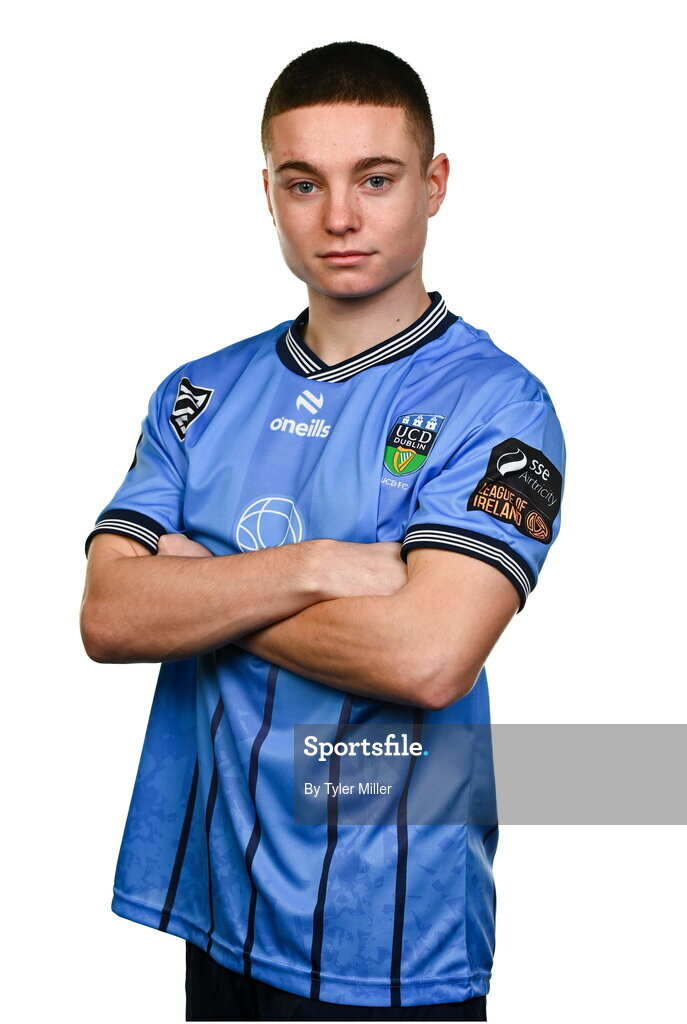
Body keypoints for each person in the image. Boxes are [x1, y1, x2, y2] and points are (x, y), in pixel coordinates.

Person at [80, 41, 565, 1022]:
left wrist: (203, 585)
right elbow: (107, 616)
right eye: (304, 182)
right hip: (218, 906)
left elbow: (428, 658)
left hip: (389, 939)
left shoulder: (499, 408)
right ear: (269, 192)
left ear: (433, 185)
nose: (338, 216)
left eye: (375, 179)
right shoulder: (197, 396)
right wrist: (309, 568)